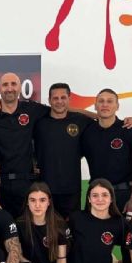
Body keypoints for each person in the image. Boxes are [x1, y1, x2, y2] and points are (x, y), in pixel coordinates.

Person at [0, 73, 51, 218]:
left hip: (26, 183)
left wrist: (93, 115)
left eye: (13, 84)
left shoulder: (31, 109)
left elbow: (60, 110)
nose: (9, 88)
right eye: (5, 85)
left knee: (26, 226)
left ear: (20, 88)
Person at [81, 88, 132, 217]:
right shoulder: (87, 132)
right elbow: (69, 111)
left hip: (123, 196)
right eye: (101, 101)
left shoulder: (130, 129)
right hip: (96, 196)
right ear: (95, 106)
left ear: (117, 106)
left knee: (126, 231)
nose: (105, 104)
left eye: (110, 101)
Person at [33, 84, 92, 219]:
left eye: (63, 97)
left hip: (72, 189)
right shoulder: (39, 122)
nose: (59, 101)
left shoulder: (80, 120)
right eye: (55, 98)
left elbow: (103, 119)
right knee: (47, 226)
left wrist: (127, 120)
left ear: (69, 99)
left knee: (72, 227)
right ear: (49, 100)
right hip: (45, 189)